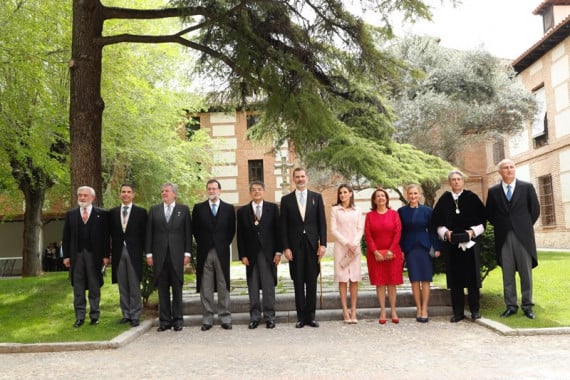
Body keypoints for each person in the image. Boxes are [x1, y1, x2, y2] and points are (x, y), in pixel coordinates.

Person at [486, 159, 540, 319]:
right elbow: (490, 213)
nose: (509, 170)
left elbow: (535, 210)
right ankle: (511, 306)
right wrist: (503, 225)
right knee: (507, 273)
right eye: (505, 168)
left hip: (523, 237)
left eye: (511, 167)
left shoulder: (527, 187)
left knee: (526, 273)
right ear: (500, 172)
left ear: (514, 169)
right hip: (503, 236)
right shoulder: (494, 191)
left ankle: (527, 306)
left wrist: (523, 226)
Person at [431, 170, 486, 323]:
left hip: (471, 243)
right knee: (456, 280)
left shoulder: (472, 198)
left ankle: (475, 310)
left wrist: (471, 232)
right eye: (453, 179)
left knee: (472, 278)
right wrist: (446, 233)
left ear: (463, 181)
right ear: (449, 182)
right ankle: (457, 312)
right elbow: (436, 223)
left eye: (458, 179)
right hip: (452, 245)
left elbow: (483, 221)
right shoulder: (444, 200)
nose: (456, 182)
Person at [280, 167, 327, 328]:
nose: (300, 179)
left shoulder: (316, 197)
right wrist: (285, 247)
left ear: (307, 178)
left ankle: (311, 316)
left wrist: (324, 244)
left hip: (313, 245)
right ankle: (301, 317)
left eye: (302, 176)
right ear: (294, 179)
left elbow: (322, 223)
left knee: (312, 281)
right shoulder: (286, 200)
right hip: (295, 247)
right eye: (297, 177)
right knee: (298, 281)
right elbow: (283, 227)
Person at [145, 182, 192, 332]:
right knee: (162, 289)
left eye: (167, 191)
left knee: (177, 289)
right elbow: (149, 234)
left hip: (177, 256)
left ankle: (178, 320)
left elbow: (187, 233)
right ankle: (164, 321)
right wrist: (149, 254)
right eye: (162, 191)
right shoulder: (154, 210)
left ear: (174, 194)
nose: (164, 193)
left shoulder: (183, 210)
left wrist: (187, 253)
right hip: (159, 256)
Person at [62, 186, 110, 328]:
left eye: (85, 195)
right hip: (76, 256)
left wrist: (106, 255)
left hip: (94, 256)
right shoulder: (71, 214)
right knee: (78, 287)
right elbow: (66, 237)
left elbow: (105, 237)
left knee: (94, 286)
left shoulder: (101, 214)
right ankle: (79, 317)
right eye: (80, 195)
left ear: (92, 198)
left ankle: (95, 316)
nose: (82, 198)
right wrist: (66, 256)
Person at [236, 181, 281, 329]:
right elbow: (240, 235)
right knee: (253, 286)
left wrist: (278, 252)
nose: (256, 192)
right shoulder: (243, 211)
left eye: (259, 189)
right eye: (254, 190)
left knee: (269, 286)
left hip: (268, 254)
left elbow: (278, 231)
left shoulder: (273, 208)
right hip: (251, 254)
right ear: (250, 193)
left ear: (264, 191)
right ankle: (254, 317)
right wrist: (242, 255)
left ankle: (270, 317)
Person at [192, 179, 236, 331]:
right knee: (206, 286)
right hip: (204, 251)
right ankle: (207, 318)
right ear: (207, 191)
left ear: (220, 190)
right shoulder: (198, 208)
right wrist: (205, 242)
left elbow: (231, 230)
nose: (212, 191)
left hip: (222, 251)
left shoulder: (229, 208)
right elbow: (195, 230)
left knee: (223, 285)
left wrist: (222, 243)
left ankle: (225, 317)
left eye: (214, 189)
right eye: (209, 189)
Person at [398, 184, 441, 323]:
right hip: (410, 248)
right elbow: (401, 232)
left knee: (426, 279)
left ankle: (425, 308)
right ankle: (418, 308)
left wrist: (437, 247)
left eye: (415, 193)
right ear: (407, 195)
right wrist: (401, 249)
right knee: (415, 280)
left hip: (425, 247)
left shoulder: (427, 211)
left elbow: (433, 231)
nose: (413, 196)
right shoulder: (401, 211)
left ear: (420, 195)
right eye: (410, 193)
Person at [109, 184, 147, 327]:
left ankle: (135, 314)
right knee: (123, 285)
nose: (126, 194)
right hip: (118, 253)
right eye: (123, 192)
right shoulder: (112, 213)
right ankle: (126, 314)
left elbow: (145, 234)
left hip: (134, 253)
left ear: (133, 195)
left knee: (134, 285)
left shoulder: (141, 212)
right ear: (120, 194)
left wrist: (146, 252)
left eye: (128, 192)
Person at [364, 187, 403, 325]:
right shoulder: (370, 216)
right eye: (377, 196)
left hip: (392, 254)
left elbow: (398, 232)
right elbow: (368, 235)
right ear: (374, 200)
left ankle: (393, 310)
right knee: (380, 283)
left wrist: (390, 250)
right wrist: (375, 251)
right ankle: (382, 311)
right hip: (376, 256)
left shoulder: (394, 214)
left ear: (386, 198)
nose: (380, 198)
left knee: (392, 283)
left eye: (383, 195)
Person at [330, 184, 364, 324]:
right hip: (341, 248)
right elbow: (333, 230)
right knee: (343, 280)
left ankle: (354, 310)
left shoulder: (358, 210)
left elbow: (360, 229)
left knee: (354, 279)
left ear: (350, 193)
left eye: (345, 192)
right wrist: (347, 243)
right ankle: (345, 311)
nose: (342, 195)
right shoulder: (334, 210)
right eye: (340, 193)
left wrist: (354, 243)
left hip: (354, 249)